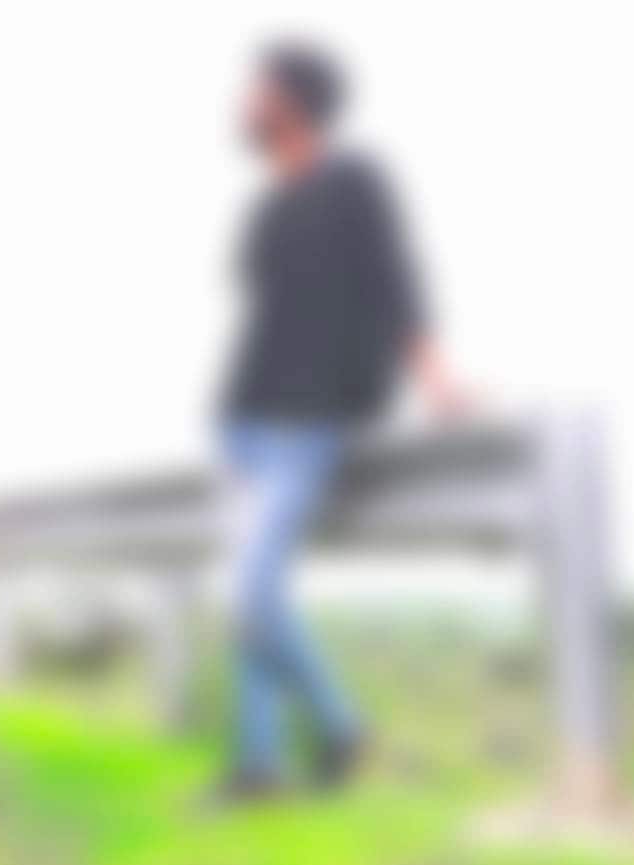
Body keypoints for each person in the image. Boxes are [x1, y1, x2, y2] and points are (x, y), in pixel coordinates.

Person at [216, 40, 466, 802]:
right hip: (244, 417)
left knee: (252, 591)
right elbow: (262, 306)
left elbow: (395, 275)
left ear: (290, 102)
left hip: (313, 414)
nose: (242, 101)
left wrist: (432, 373)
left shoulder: (355, 178)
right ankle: (257, 767)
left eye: (254, 88)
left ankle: (339, 724)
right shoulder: (264, 208)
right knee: (249, 593)